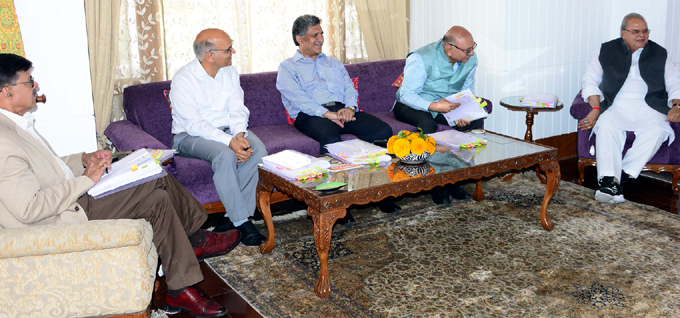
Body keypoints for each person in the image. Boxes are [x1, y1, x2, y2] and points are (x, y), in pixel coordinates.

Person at [0, 53, 241, 318]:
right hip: (52, 223)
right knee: (153, 174)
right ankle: (198, 238)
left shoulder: (8, 125)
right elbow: (29, 209)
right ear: (7, 92)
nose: (36, 86)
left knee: (158, 198)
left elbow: (42, 168)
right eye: (29, 81)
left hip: (66, 203)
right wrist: (88, 179)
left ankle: (180, 289)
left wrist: (84, 159)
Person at [276, 15, 397, 213]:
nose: (321, 38)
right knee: (330, 138)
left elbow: (350, 89)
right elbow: (298, 99)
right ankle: (336, 203)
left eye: (321, 33)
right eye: (315, 35)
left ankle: (381, 193)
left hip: (342, 110)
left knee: (382, 130)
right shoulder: (288, 67)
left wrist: (349, 108)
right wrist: (326, 114)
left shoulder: (333, 63)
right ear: (300, 39)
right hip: (310, 114)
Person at [170, 28, 269, 246]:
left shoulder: (229, 72)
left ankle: (229, 219)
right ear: (210, 55)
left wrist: (240, 136)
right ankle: (243, 222)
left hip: (228, 131)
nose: (233, 51)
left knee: (258, 150)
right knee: (225, 155)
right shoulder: (184, 79)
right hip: (189, 136)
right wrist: (230, 143)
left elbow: (237, 108)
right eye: (228, 49)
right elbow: (193, 123)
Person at [578, 13, 680, 204]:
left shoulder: (660, 52)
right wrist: (596, 108)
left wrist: (677, 106)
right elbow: (591, 79)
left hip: (650, 105)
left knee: (659, 130)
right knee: (605, 127)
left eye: (645, 31)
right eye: (635, 31)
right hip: (616, 104)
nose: (642, 35)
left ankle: (617, 178)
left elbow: (676, 82)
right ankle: (609, 180)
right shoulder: (606, 49)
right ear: (623, 33)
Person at [394, 26, 482, 205]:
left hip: (446, 104)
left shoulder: (470, 60)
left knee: (473, 123)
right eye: (468, 50)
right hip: (413, 105)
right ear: (449, 49)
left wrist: (464, 111)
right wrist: (434, 106)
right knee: (427, 126)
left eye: (473, 48)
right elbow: (406, 95)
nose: (472, 53)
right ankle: (435, 183)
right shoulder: (421, 58)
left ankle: (453, 179)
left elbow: (468, 89)